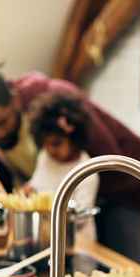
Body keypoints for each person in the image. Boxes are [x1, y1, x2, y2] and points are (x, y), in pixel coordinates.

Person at [0, 60, 140, 264]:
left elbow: (108, 160)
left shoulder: (54, 99)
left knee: (120, 263)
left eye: (2, 122)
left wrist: (79, 210)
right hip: (74, 201)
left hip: (124, 183)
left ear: (15, 101)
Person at [26, 92, 99, 240]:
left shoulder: (87, 171)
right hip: (46, 238)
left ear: (74, 138)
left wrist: (48, 210)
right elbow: (36, 185)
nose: (50, 150)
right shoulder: (44, 157)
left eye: (56, 143)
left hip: (77, 242)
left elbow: (81, 217)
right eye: (45, 144)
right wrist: (29, 190)